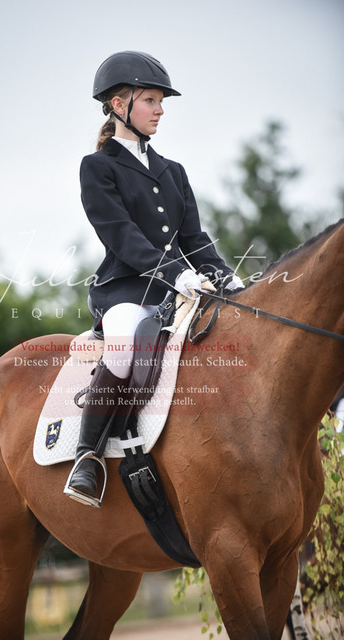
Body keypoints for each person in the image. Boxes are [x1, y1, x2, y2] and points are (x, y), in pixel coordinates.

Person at [66, 51, 243, 504]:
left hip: (177, 290)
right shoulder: (97, 167)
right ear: (118, 105)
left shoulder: (173, 171)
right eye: (150, 100)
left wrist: (226, 278)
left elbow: (195, 239)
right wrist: (176, 273)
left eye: (161, 101)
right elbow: (121, 235)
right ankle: (87, 457)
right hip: (124, 290)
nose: (160, 109)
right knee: (125, 345)